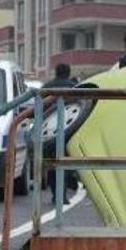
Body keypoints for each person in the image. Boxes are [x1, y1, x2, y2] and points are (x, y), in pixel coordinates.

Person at [42, 63, 78, 204]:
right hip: (68, 131)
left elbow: (38, 109)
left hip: (49, 132)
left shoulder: (46, 87)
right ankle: (62, 194)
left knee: (51, 164)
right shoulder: (75, 88)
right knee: (65, 163)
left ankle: (56, 194)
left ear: (56, 72)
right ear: (68, 73)